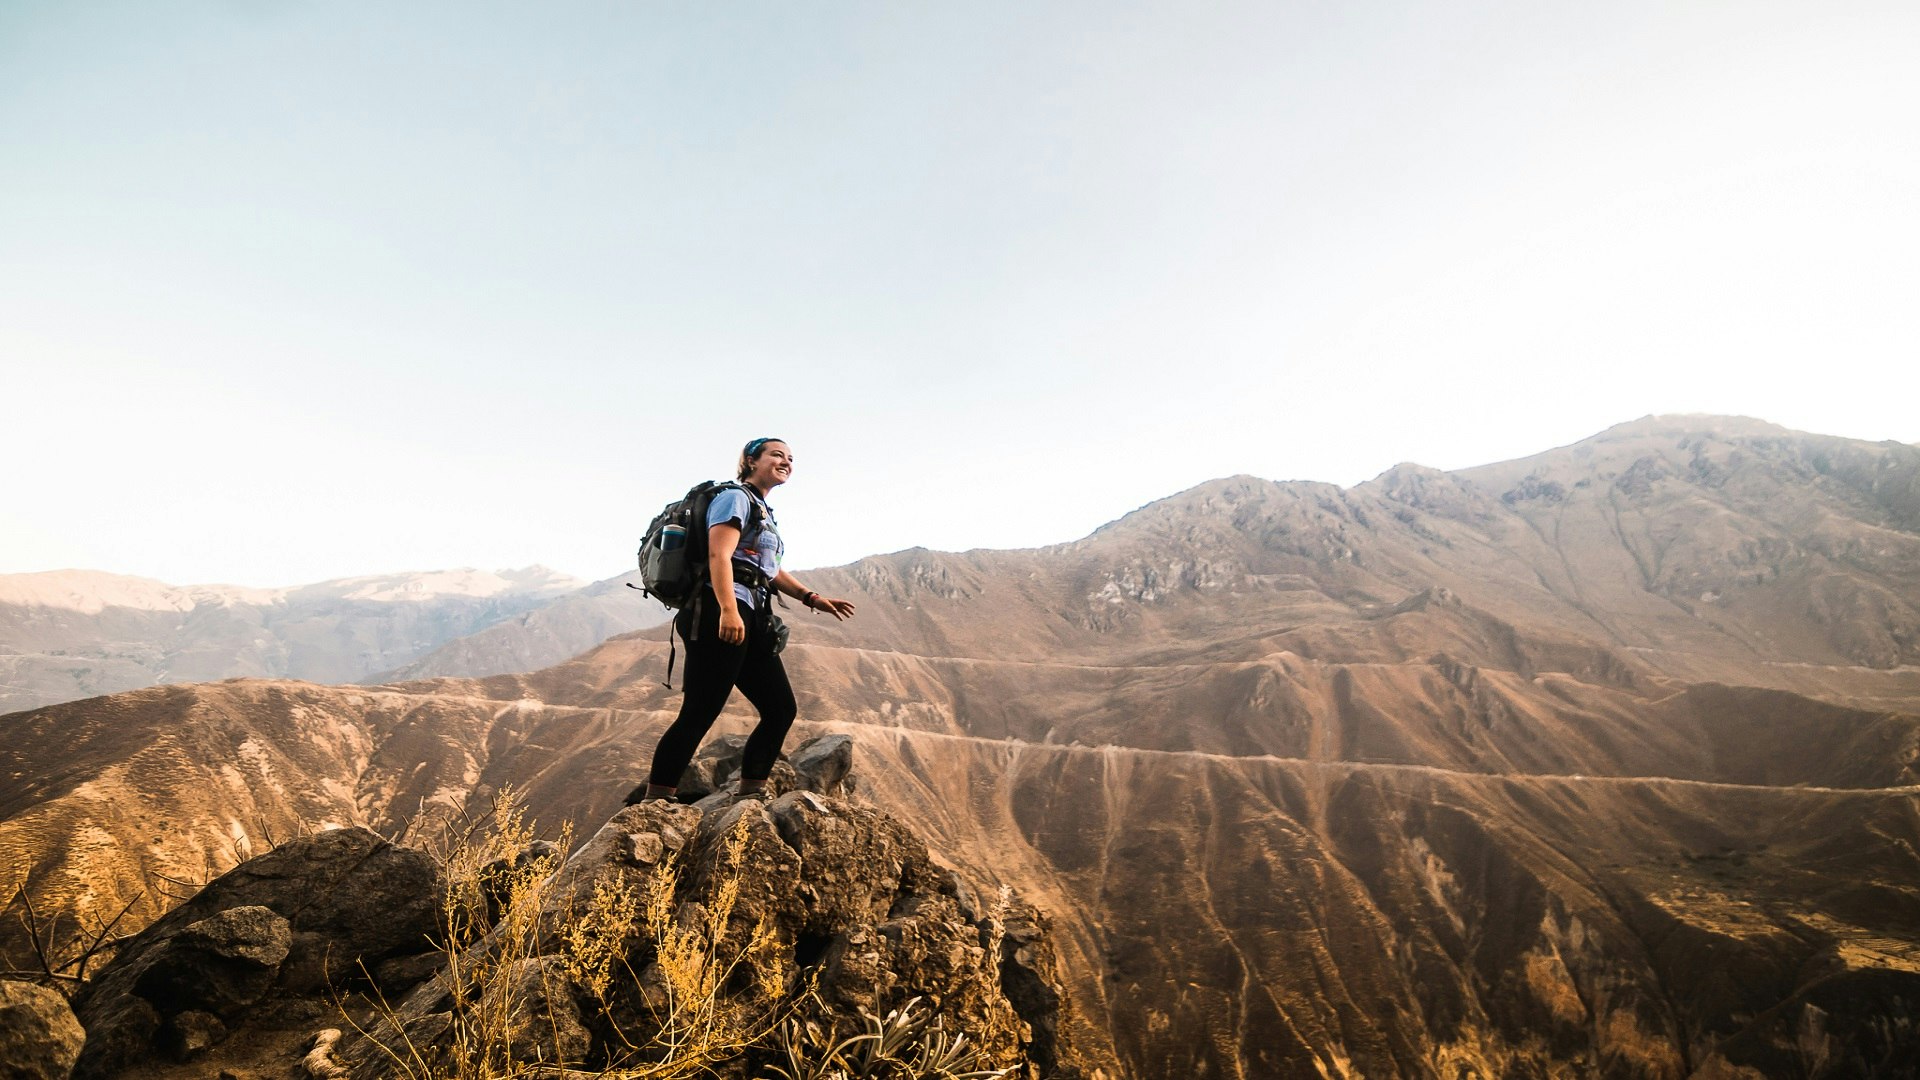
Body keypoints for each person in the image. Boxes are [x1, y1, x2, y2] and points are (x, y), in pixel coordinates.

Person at [627, 437, 856, 803]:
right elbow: (720, 555)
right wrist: (729, 610)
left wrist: (812, 598)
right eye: (776, 454)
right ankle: (656, 802)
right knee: (700, 711)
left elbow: (768, 569)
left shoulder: (762, 509)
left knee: (780, 709)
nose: (786, 462)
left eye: (791, 458)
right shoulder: (734, 498)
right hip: (720, 609)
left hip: (751, 612)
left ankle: (750, 795)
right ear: (751, 460)